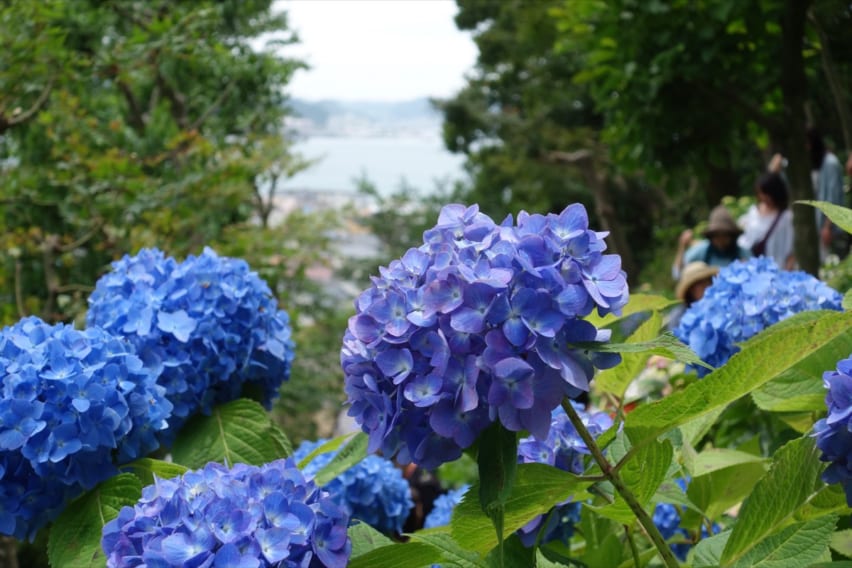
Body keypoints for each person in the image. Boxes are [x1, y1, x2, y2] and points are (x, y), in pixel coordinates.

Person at [672, 205, 750, 280]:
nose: (720, 240)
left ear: (732, 235)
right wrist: (682, 247)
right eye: (716, 235)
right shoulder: (702, 250)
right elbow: (677, 274)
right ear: (711, 236)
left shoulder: (742, 253)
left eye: (725, 235)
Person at [737, 172, 795, 269]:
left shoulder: (786, 218)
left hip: (776, 269)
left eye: (766, 194)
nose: (763, 197)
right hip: (751, 268)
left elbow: (790, 251)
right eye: (760, 193)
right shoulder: (753, 211)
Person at [807, 127, 848, 259]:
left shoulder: (830, 163)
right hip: (822, 228)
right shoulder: (818, 164)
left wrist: (827, 227)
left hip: (833, 229)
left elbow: (833, 198)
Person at [666, 261, 719, 330]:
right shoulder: (678, 317)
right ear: (690, 290)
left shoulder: (722, 303)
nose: (706, 286)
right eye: (699, 283)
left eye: (707, 280)